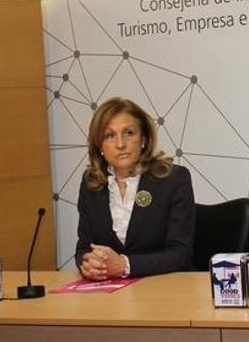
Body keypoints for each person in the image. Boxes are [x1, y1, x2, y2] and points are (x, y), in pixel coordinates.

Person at [75, 97, 195, 280]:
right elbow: (84, 248)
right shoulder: (92, 184)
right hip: (111, 298)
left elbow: (180, 253)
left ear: (144, 139)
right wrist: (89, 263)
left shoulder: (173, 180)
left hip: (165, 291)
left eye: (129, 133)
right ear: (100, 146)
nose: (120, 144)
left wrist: (125, 265)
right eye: (109, 135)